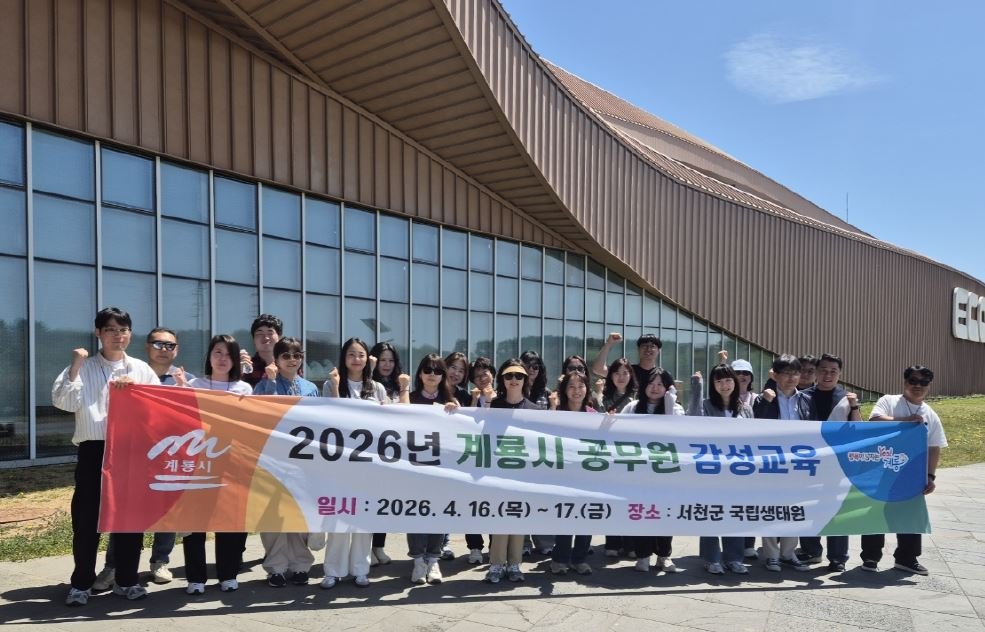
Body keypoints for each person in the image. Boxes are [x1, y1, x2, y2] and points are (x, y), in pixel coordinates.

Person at [54, 307, 160, 606]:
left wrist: (136, 394)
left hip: (130, 451)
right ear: (98, 333)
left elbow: (158, 409)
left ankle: (127, 581)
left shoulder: (141, 369)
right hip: (94, 450)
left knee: (129, 520)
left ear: (130, 334)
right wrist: (76, 365)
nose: (118, 335)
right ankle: (81, 584)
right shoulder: (84, 366)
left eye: (123, 330)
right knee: (87, 521)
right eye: (111, 329)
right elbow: (64, 401)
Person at [93, 327, 191, 591]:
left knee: (166, 510)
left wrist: (184, 389)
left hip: (169, 455)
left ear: (177, 350)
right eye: (158, 344)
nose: (164, 350)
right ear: (147, 346)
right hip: (134, 456)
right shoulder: (132, 374)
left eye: (170, 345)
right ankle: (113, 567)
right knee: (125, 512)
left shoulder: (184, 379)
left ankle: (160, 561)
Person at [321, 338, 408, 589]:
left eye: (360, 354)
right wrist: (335, 388)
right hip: (340, 462)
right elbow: (328, 418)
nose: (356, 359)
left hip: (368, 464)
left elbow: (391, 420)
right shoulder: (331, 383)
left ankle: (361, 568)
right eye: (351, 354)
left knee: (363, 519)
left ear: (367, 358)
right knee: (339, 518)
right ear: (344, 358)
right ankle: (333, 571)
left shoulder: (377, 387)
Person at [181, 335, 253, 594]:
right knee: (195, 520)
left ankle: (228, 574)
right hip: (199, 461)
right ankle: (195, 578)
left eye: (229, 354)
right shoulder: (194, 385)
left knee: (228, 519)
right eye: (218, 352)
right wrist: (180, 390)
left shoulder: (244, 389)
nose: (223, 359)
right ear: (209, 356)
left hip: (232, 462)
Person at [860, 366, 947, 575]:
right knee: (875, 513)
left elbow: (934, 447)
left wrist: (930, 476)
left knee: (910, 516)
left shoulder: (930, 414)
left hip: (911, 474)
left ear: (929, 386)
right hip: (880, 469)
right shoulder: (889, 401)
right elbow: (874, 421)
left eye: (923, 382)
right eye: (913, 381)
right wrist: (906, 421)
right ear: (905, 382)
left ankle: (907, 558)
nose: (917, 385)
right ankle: (870, 557)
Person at [253, 337, 321, 587]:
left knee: (298, 514)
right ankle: (276, 567)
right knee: (272, 516)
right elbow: (262, 413)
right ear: (276, 359)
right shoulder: (264, 384)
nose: (292, 360)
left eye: (297, 355)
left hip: (301, 462)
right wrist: (271, 382)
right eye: (286, 356)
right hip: (271, 459)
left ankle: (300, 564)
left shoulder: (310, 388)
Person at [796, 353, 861, 571]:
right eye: (823, 370)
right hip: (809, 463)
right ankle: (811, 551)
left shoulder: (847, 398)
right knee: (809, 507)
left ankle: (838, 557)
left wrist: (854, 407)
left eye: (833, 371)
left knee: (837, 509)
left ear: (840, 373)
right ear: (816, 371)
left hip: (837, 464)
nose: (828, 375)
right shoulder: (802, 396)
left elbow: (858, 429)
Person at [688, 364, 753, 576]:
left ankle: (734, 558)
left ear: (734, 382)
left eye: (728, 380)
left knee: (735, 513)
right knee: (712, 513)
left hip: (738, 471)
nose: (724, 385)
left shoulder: (745, 408)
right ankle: (712, 558)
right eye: (718, 381)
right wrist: (696, 387)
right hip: (712, 470)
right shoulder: (706, 406)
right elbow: (692, 420)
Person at [751, 355, 812, 573]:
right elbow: (753, 426)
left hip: (797, 464)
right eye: (786, 373)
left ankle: (788, 553)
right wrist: (766, 402)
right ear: (775, 375)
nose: (791, 378)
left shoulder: (806, 400)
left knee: (794, 508)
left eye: (795, 373)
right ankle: (771, 555)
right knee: (770, 508)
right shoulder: (763, 398)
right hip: (771, 464)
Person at [485, 360, 544, 583]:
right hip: (499, 472)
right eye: (509, 376)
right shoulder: (494, 406)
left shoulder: (535, 410)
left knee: (518, 518)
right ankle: (496, 564)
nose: (514, 380)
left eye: (519, 376)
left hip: (524, 474)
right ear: (503, 380)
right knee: (500, 518)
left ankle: (515, 564)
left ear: (525, 380)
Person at [620, 367, 683, 573]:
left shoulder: (676, 409)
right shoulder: (632, 407)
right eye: (651, 383)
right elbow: (619, 432)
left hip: (666, 472)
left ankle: (664, 556)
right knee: (643, 513)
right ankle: (643, 556)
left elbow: (680, 433)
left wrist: (670, 402)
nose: (655, 388)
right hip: (640, 472)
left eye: (660, 384)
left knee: (665, 513)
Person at [405, 354, 460, 585]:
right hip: (415, 467)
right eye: (427, 370)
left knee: (438, 512)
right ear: (420, 373)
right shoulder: (411, 398)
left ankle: (433, 559)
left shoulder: (450, 401)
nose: (432, 375)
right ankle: (418, 561)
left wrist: (456, 412)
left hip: (441, 468)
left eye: (437, 371)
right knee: (416, 513)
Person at [549, 370, 597, 577]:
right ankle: (559, 559)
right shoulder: (558, 413)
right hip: (563, 474)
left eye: (581, 386)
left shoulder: (594, 415)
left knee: (586, 516)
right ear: (564, 390)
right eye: (571, 386)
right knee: (565, 516)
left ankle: (580, 559)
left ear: (587, 389)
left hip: (588, 474)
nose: (577, 391)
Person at [595, 357, 639, 559]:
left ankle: (630, 543)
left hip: (632, 456)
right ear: (610, 375)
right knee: (611, 499)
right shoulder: (603, 398)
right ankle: (612, 541)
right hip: (610, 455)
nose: (621, 377)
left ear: (631, 375)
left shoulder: (638, 398)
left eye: (625, 373)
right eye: (616, 373)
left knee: (630, 500)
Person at [590, 332, 662, 388]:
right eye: (644, 346)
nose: (648, 349)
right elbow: (598, 369)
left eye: (652, 346)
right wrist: (609, 344)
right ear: (638, 349)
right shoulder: (628, 371)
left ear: (659, 351)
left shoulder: (663, 375)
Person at [239, 314, 283, 387]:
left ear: (280, 337)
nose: (266, 338)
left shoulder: (289, 364)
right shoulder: (247, 367)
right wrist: (238, 371)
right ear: (253, 339)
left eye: (270, 333)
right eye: (260, 333)